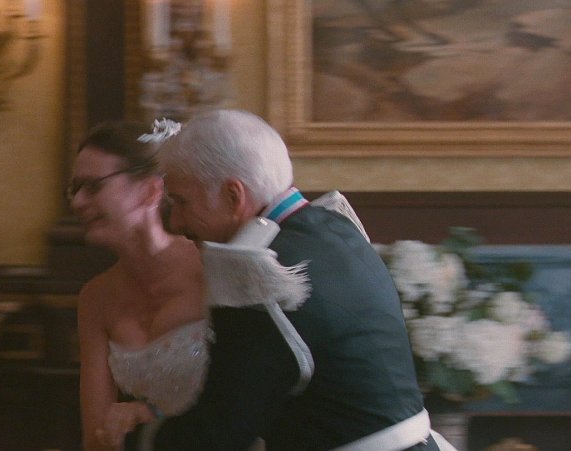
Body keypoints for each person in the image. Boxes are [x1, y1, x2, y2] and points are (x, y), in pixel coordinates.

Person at [117, 109, 450, 450]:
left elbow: (221, 433)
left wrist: (134, 440)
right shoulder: (334, 228)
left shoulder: (256, 277)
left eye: (182, 202)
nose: (175, 222)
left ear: (233, 196)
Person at [69, 121, 210, 451]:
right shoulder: (95, 299)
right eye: (74, 189)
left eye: (92, 187)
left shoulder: (210, 268)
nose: (76, 202)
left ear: (149, 192)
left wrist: (154, 415)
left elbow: (248, 398)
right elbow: (96, 438)